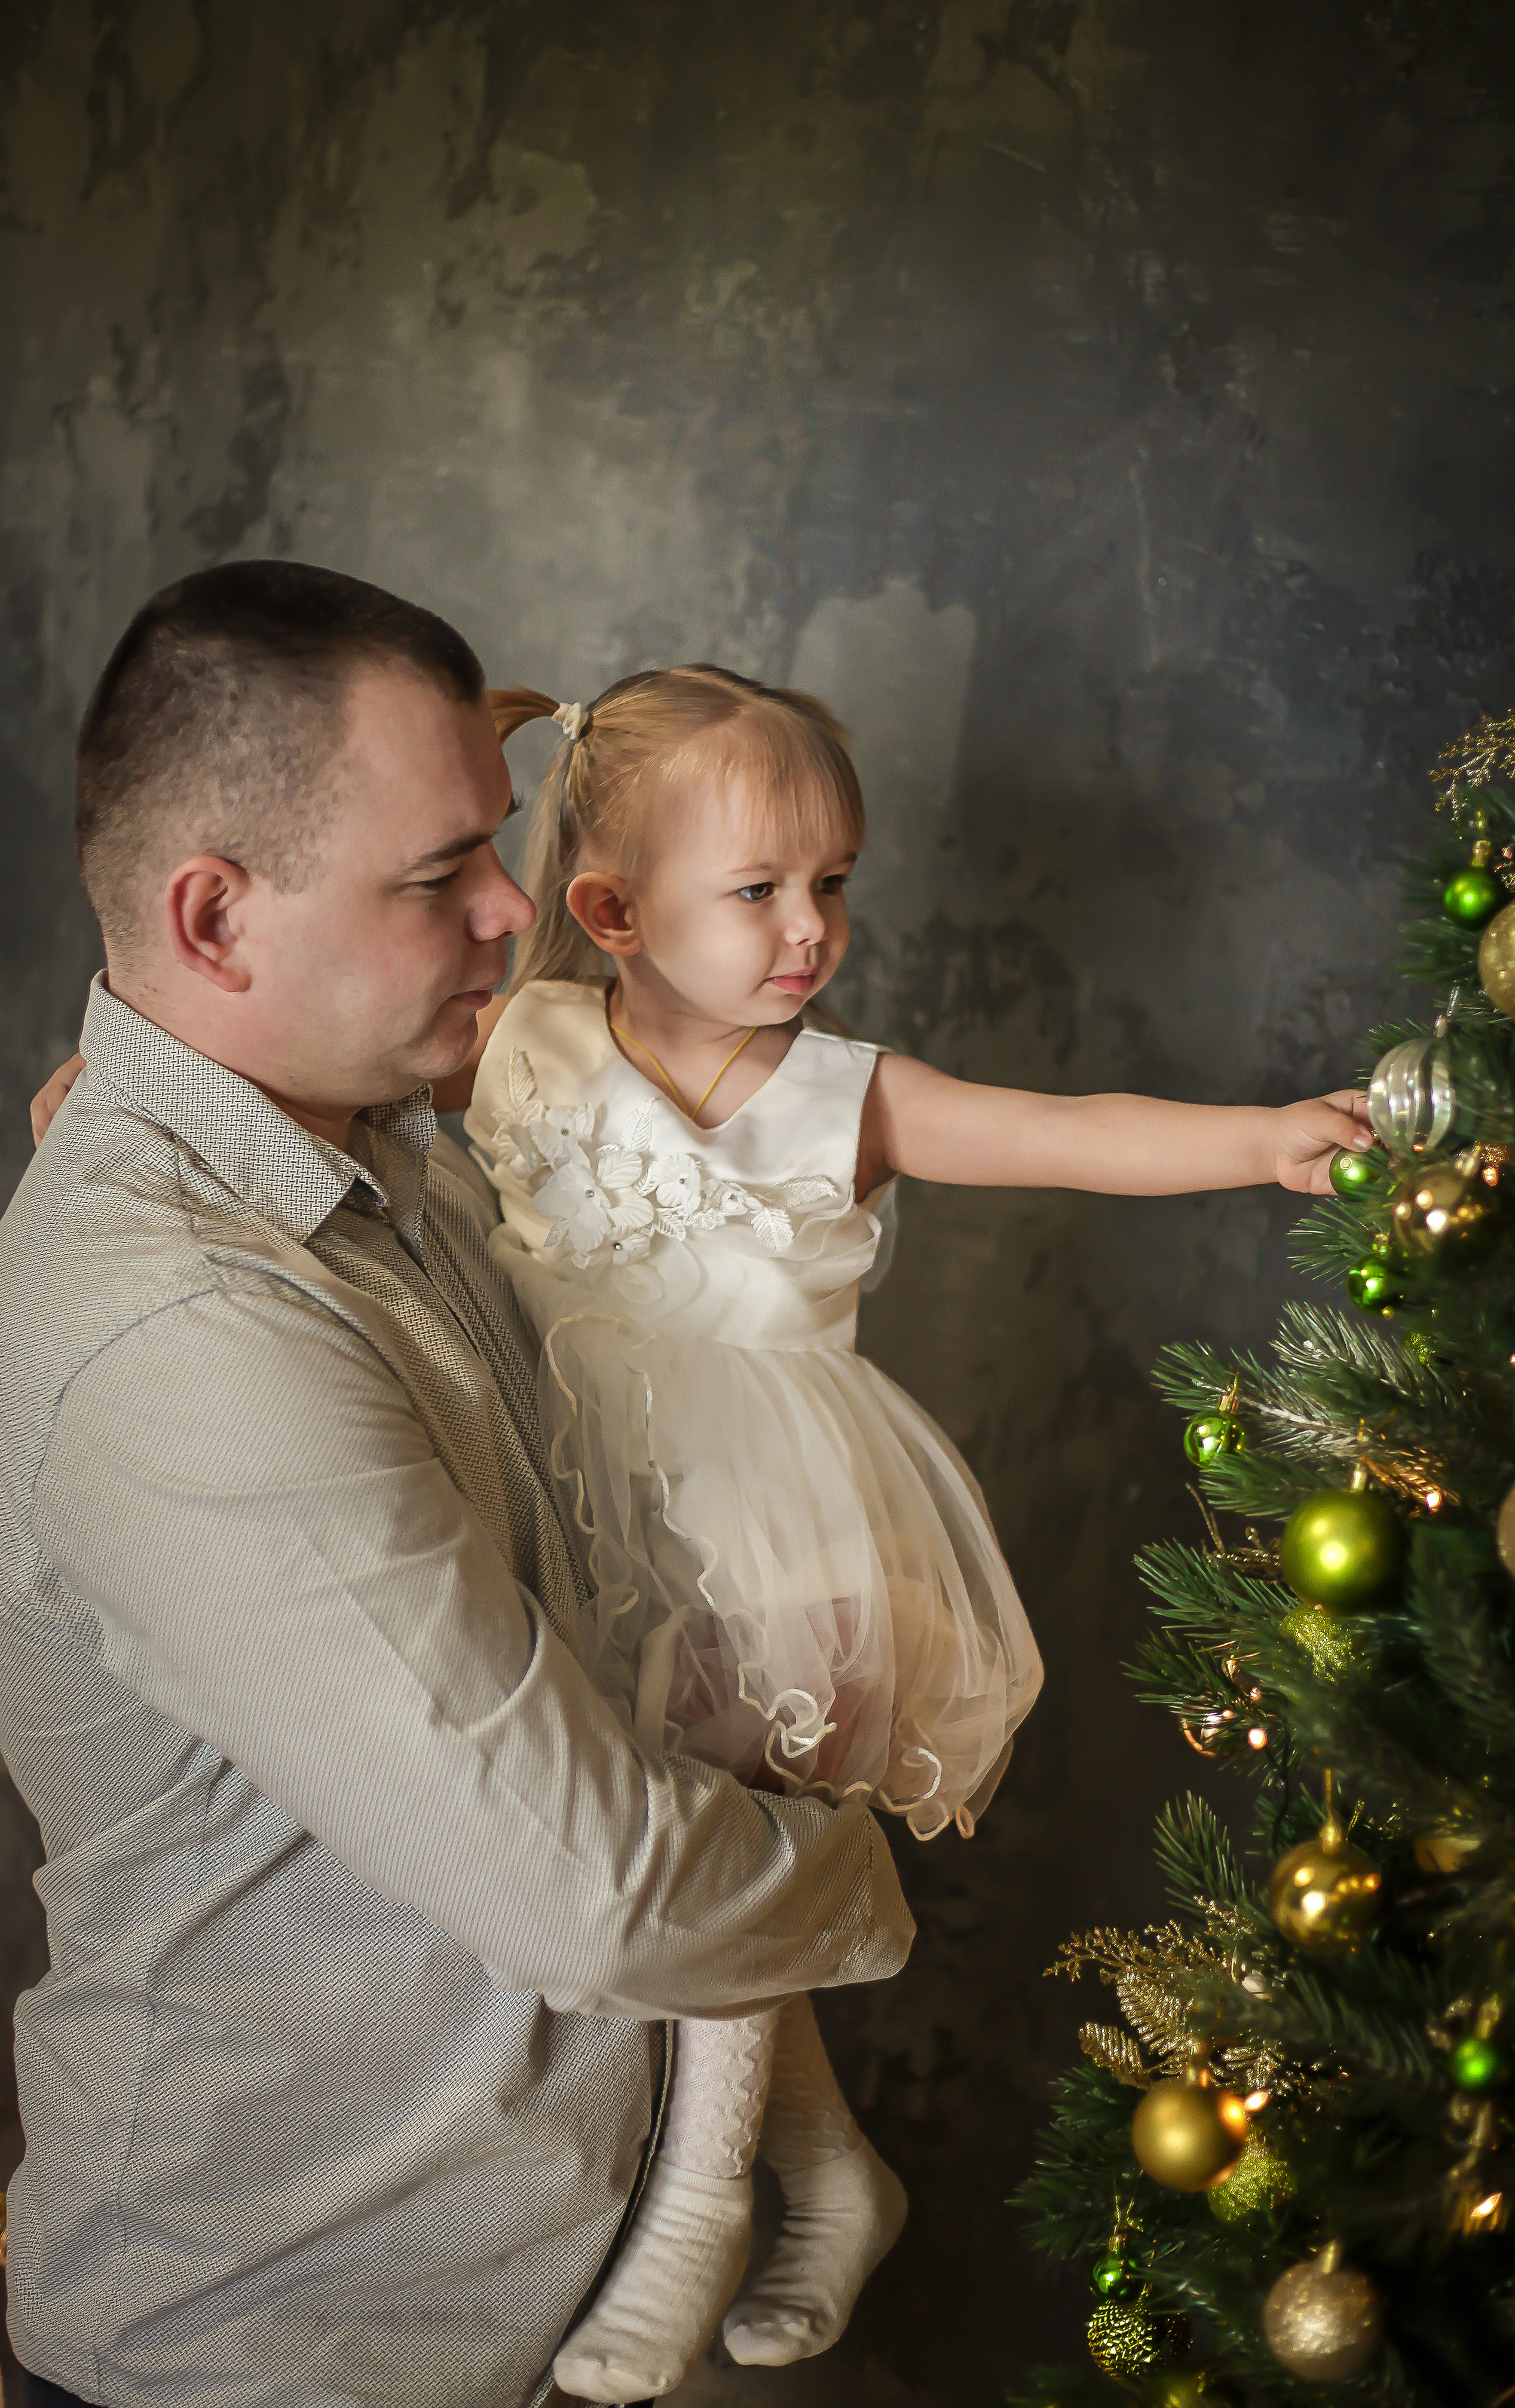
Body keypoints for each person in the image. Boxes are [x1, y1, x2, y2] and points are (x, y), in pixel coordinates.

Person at [1, 567, 914, 2408]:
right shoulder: (183, 1319)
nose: (516, 910)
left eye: (493, 850)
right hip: (291, 2353)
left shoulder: (379, 1156)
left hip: (545, 2306)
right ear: (214, 917)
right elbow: (607, 1900)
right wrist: (858, 1866)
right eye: (440, 878)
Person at [424, 665, 1371, 2406]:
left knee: (733, 1833)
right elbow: (329, 1042)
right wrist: (119, 1086)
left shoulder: (841, 1092)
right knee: (654, 1848)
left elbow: (1065, 1134)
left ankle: (701, 2202)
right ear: (610, 912)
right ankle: (837, 2164)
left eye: (835, 883)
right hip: (584, 1516)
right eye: (761, 891)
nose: (811, 931)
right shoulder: (518, 1040)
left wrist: (1265, 1139)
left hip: (796, 1541)